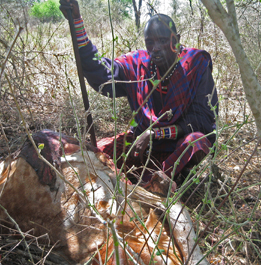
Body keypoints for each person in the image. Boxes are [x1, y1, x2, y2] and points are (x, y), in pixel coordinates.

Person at [59, 0, 218, 188]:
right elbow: (102, 72)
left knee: (196, 142)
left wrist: (156, 133)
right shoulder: (137, 64)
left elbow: (202, 119)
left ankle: (155, 183)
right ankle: (141, 179)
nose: (156, 48)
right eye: (150, 42)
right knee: (98, 151)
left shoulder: (195, 64)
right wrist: (77, 21)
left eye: (163, 41)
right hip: (143, 146)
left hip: (176, 145)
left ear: (176, 40)